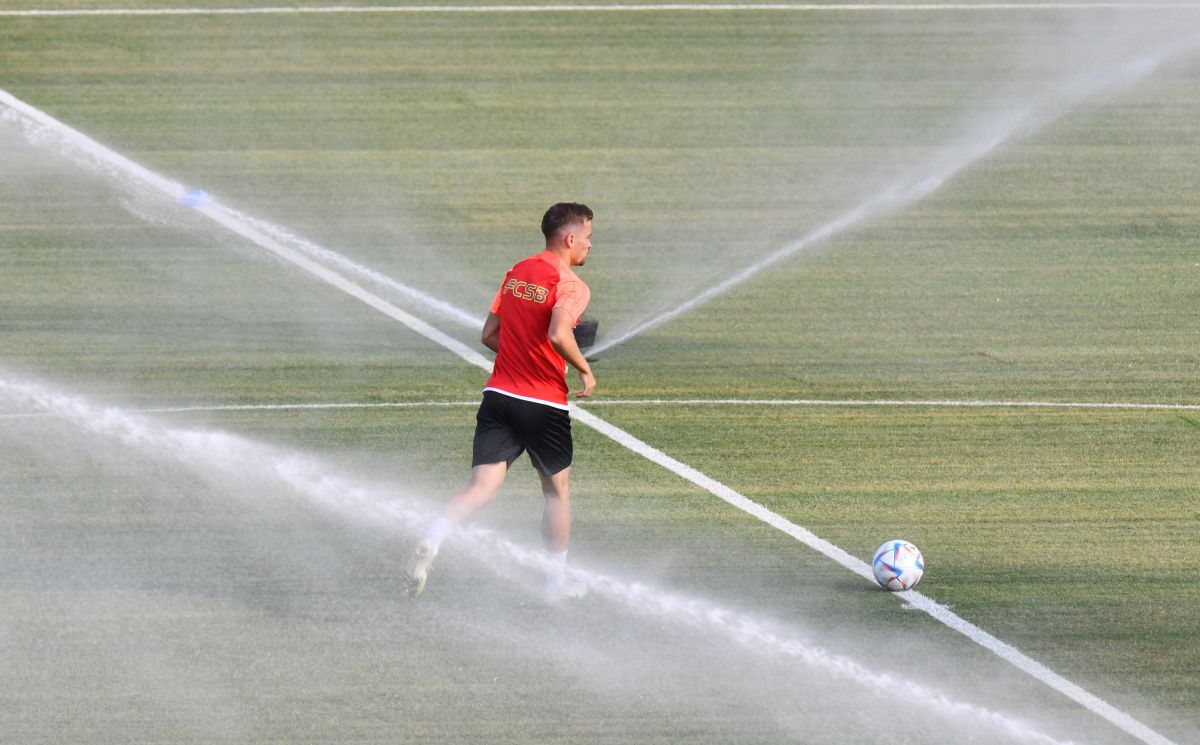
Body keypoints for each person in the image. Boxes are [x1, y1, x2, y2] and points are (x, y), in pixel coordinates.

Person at [405, 202, 596, 601]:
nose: (590, 246)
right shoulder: (572, 285)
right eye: (589, 237)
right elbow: (561, 333)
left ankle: (433, 539)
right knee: (556, 492)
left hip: (498, 397)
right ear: (570, 238)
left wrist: (520, 354)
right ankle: (555, 582)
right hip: (543, 403)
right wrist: (583, 368)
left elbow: (489, 334)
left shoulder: (517, 271)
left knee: (480, 488)